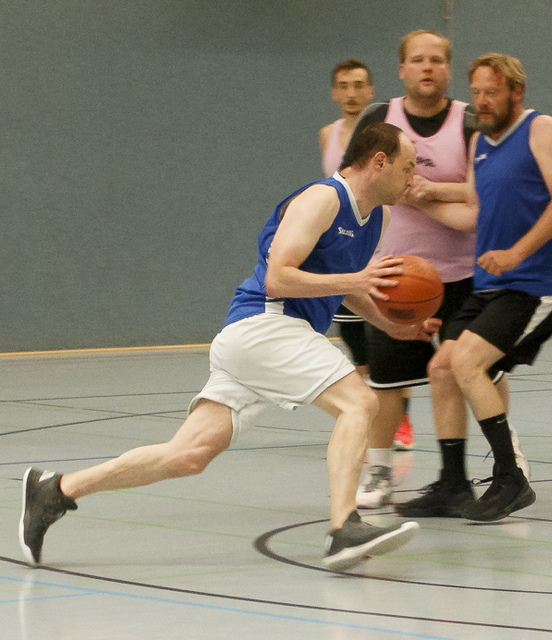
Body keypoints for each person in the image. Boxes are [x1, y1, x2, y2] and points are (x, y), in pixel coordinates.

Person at [20, 122, 431, 573]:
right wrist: (356, 279)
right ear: (379, 162)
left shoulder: (378, 218)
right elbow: (278, 278)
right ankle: (343, 527)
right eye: (408, 167)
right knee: (360, 403)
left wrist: (391, 325)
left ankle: (55, 489)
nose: (413, 178)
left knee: (188, 455)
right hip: (266, 325)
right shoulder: (323, 199)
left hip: (260, 342)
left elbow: (346, 288)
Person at [398, 53, 552, 522]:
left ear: (516, 92)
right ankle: (453, 484)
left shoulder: (542, 129)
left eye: (491, 92)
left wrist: (517, 253)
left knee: (467, 362)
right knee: (441, 367)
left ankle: (510, 478)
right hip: (492, 284)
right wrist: (421, 202)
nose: (481, 101)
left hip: (540, 282)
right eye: (476, 92)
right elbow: (473, 213)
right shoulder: (480, 141)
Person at [339, 30, 481, 509]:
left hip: (462, 273)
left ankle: (505, 459)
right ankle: (380, 472)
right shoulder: (381, 119)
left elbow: (486, 190)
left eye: (436, 60)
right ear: (401, 69)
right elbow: (354, 180)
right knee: (385, 383)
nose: (427, 67)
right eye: (418, 60)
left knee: (476, 374)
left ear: (448, 69)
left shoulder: (469, 121)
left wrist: (429, 190)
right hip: (396, 273)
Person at [318, 59, 392, 430]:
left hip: (379, 235)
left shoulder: (386, 136)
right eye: (344, 85)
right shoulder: (327, 134)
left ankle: (396, 416)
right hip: (345, 241)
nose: (351, 93)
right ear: (334, 92)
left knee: (384, 333)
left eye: (359, 85)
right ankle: (366, 411)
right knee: (352, 332)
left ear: (371, 91)